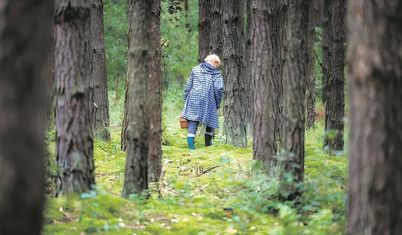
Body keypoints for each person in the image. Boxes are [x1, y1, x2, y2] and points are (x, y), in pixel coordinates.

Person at [180, 54, 224, 150]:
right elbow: (218, 89)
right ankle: (208, 144)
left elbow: (188, 86)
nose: (216, 68)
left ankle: (191, 147)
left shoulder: (195, 69)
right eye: (216, 66)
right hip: (209, 99)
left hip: (193, 97)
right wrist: (217, 102)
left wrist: (186, 97)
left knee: (193, 120)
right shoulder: (216, 74)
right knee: (211, 120)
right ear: (213, 62)